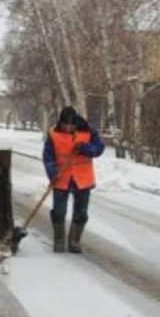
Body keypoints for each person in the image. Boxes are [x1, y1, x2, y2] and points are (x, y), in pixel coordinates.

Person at [43, 106, 105, 253]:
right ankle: (59, 241)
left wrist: (85, 148)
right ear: (61, 122)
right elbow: (48, 156)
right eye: (65, 124)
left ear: (76, 122)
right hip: (61, 178)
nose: (68, 127)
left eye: (71, 124)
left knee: (81, 213)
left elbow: (99, 148)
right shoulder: (53, 134)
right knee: (59, 212)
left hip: (83, 179)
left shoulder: (89, 131)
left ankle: (74, 242)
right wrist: (52, 172)